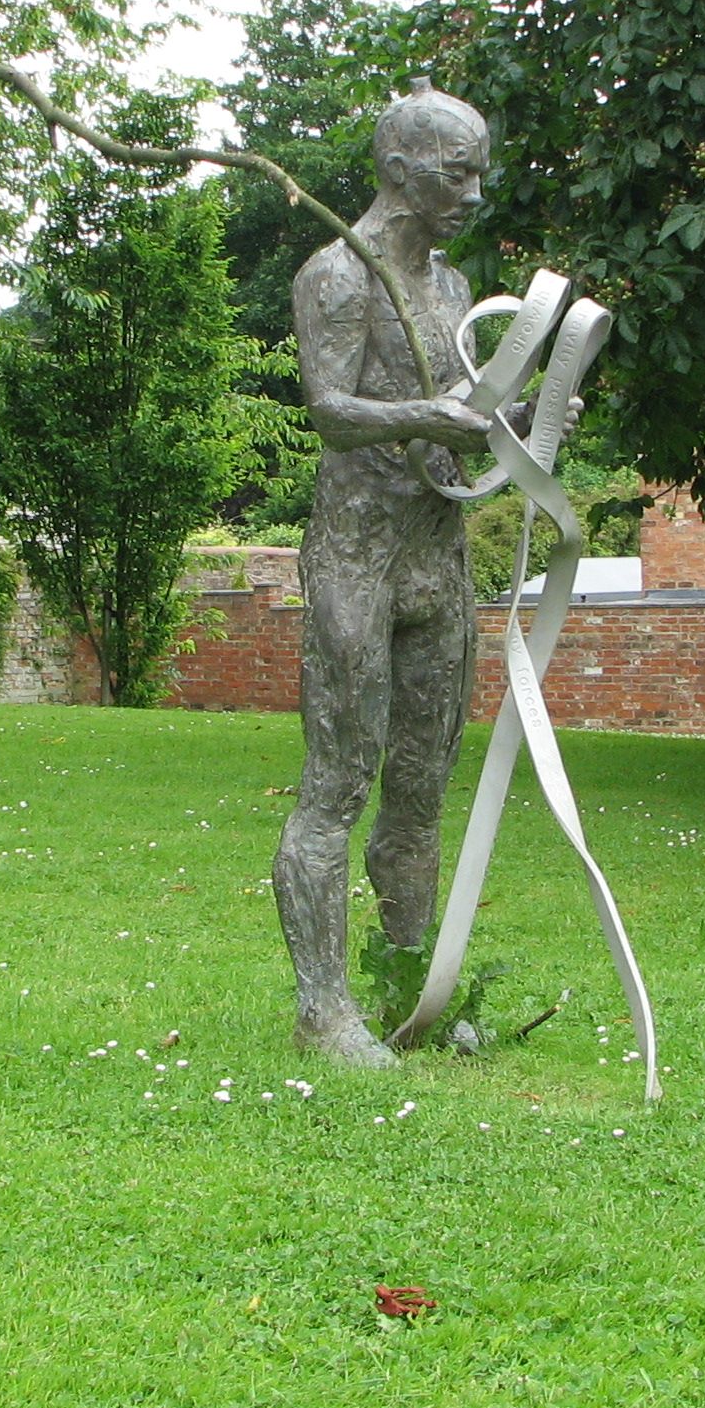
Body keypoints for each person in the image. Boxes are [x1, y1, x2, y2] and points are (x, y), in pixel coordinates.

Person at [274, 78, 497, 1064]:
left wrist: (522, 425)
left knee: (419, 788)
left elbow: (456, 420)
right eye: (460, 172)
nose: (476, 192)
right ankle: (322, 1012)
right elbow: (327, 409)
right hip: (356, 563)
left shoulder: (449, 289)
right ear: (402, 173)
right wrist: (423, 418)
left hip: (434, 565)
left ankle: (412, 995)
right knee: (337, 784)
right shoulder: (338, 274)